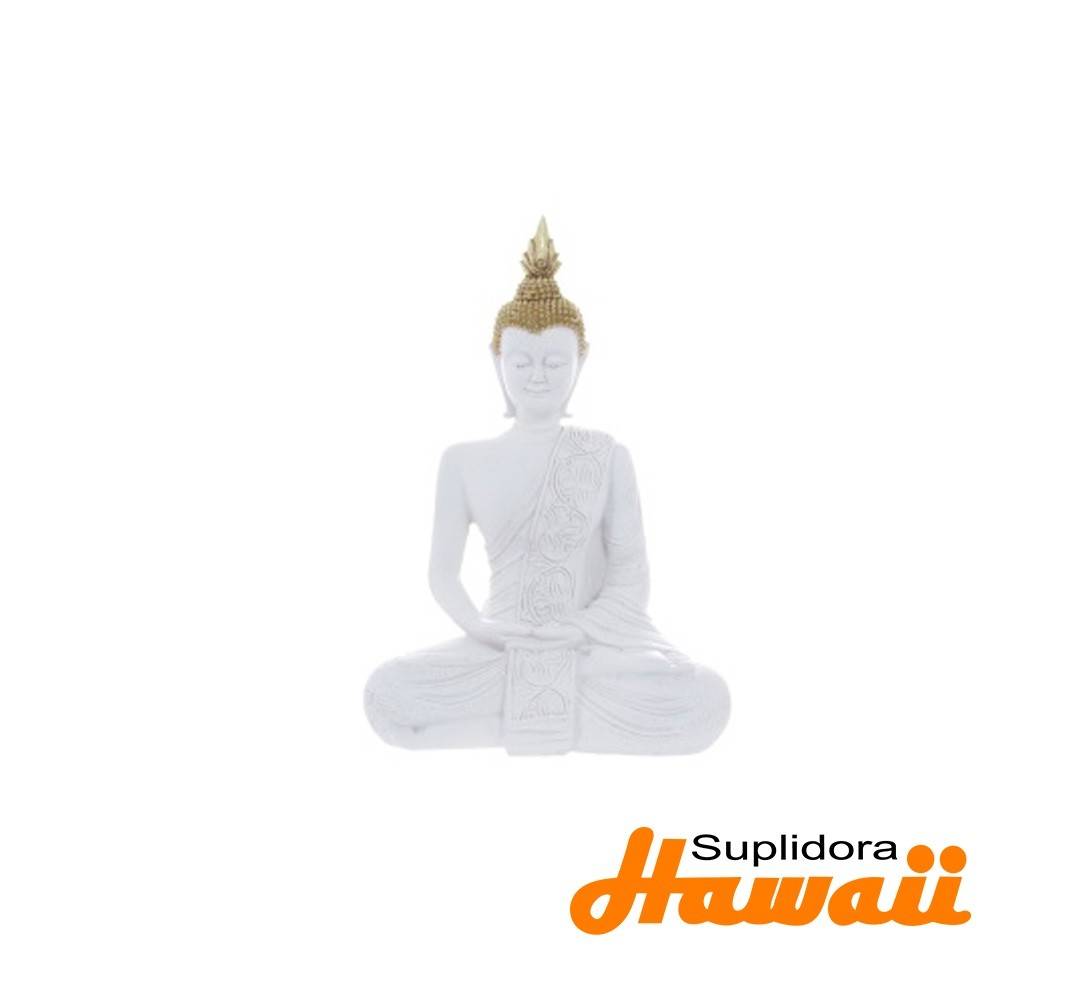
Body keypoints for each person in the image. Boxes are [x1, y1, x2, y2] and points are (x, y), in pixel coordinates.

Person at [364, 219, 730, 754]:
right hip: (499, 644)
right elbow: (442, 575)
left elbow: (630, 579)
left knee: (703, 695)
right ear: (497, 362)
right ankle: (566, 719)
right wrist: (482, 629)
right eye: (522, 361)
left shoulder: (605, 456)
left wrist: (578, 630)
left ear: (581, 362)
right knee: (389, 691)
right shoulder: (463, 461)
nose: (538, 375)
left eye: (555, 362)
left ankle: (498, 721)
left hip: (587, 646)